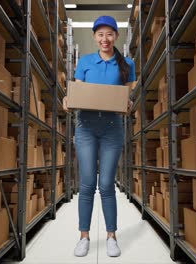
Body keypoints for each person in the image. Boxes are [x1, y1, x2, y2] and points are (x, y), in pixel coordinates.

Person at [62, 16, 135, 257]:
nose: (105, 39)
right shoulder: (84, 62)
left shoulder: (126, 64)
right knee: (86, 185)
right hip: (86, 128)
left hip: (112, 129)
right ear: (95, 37)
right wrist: (68, 101)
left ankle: (111, 236)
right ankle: (84, 236)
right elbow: (78, 93)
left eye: (110, 34)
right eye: (100, 34)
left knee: (106, 185)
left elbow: (127, 98)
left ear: (116, 36)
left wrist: (129, 104)